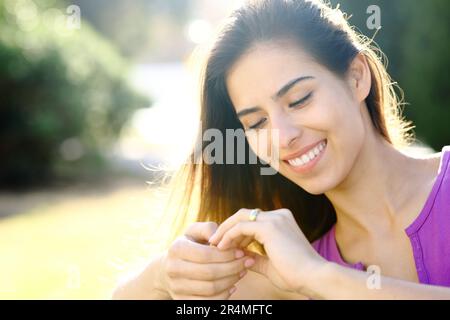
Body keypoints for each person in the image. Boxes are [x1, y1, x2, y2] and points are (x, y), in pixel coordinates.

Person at [113, 0, 450, 299]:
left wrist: (320, 278)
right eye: (256, 123)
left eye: (299, 99)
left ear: (357, 78)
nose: (282, 137)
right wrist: (162, 275)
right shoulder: (287, 270)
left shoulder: (305, 272)